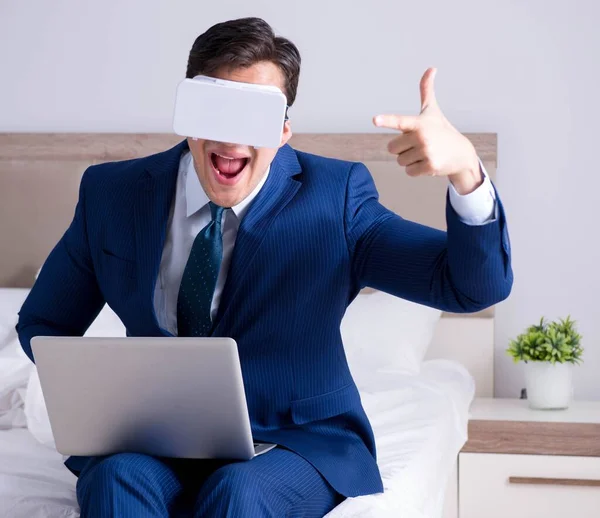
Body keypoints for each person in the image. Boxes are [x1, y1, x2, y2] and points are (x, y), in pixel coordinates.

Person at [17, 16, 512, 518]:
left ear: (283, 129)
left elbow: (469, 288)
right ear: (187, 112)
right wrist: (104, 400)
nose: (232, 141)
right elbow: (44, 323)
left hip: (295, 443)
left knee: (238, 491)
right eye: (216, 109)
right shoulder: (113, 194)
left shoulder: (335, 199)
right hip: (155, 443)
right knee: (115, 480)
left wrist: (466, 174)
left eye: (252, 116)